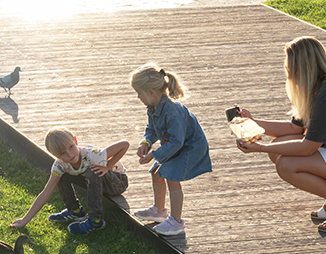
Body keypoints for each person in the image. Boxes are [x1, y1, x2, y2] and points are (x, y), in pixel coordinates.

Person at [234, 36, 326, 233]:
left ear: (300, 67)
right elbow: (293, 129)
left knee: (286, 164)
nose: (287, 70)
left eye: (289, 65)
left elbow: (307, 148)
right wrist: (253, 122)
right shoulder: (320, 87)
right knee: (278, 149)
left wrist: (260, 148)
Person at [130, 64, 212, 237]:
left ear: (151, 92)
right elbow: (152, 129)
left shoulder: (173, 112)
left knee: (171, 177)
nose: (138, 97)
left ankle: (176, 222)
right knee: (156, 172)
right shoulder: (153, 106)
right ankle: (159, 211)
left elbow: (177, 142)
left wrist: (154, 154)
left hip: (190, 147)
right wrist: (146, 142)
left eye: (139, 93)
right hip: (175, 144)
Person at [11, 128, 129, 235]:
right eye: (63, 153)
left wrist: (107, 166)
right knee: (60, 174)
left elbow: (124, 144)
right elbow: (46, 192)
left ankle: (95, 221)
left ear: (75, 141)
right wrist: (25, 219)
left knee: (92, 172)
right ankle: (75, 210)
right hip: (95, 181)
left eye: (71, 147)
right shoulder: (60, 165)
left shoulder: (92, 155)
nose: (70, 154)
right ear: (56, 156)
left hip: (117, 182)